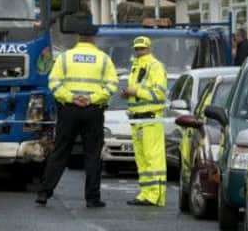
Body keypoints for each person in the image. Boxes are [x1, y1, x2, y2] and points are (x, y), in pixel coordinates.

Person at [36, 20, 118, 208]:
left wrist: (71, 97)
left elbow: (54, 83)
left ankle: (44, 193)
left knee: (60, 152)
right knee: (92, 154)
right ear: (93, 38)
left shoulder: (65, 57)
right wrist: (92, 98)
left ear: (78, 38)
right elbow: (112, 85)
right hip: (93, 110)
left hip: (69, 110)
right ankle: (92, 198)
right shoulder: (103, 59)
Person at [120, 36, 168, 207]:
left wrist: (136, 91)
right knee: (142, 160)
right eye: (137, 49)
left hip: (151, 120)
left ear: (149, 49)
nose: (139, 51)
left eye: (142, 48)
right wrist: (127, 93)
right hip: (137, 120)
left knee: (153, 159)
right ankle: (146, 193)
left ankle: (156, 196)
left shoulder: (155, 66)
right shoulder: (136, 66)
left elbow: (160, 94)